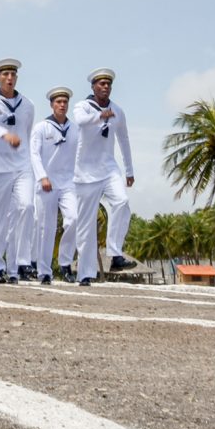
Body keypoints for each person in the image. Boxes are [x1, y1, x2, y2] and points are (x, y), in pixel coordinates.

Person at [72, 68, 135, 286]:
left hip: (109, 168)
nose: (105, 87)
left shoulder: (117, 110)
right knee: (86, 225)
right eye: (101, 83)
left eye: (108, 84)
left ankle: (115, 253)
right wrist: (100, 115)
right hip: (85, 172)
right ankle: (85, 274)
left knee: (122, 201)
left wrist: (129, 170)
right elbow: (80, 121)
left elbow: (124, 140)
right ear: (93, 87)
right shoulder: (82, 106)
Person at [0, 58, 35, 284]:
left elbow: (27, 132)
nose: (9, 78)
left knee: (26, 207)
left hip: (21, 165)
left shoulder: (27, 104)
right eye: (5, 74)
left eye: (13, 74)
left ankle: (21, 264)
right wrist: (4, 135)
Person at [31, 87, 80, 284]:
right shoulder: (41, 127)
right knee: (46, 227)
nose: (62, 105)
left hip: (68, 182)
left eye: (65, 102)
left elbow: (80, 155)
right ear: (52, 105)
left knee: (74, 218)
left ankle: (66, 263)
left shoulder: (75, 129)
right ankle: (44, 270)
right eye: (58, 102)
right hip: (47, 182)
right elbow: (33, 153)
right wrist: (42, 176)